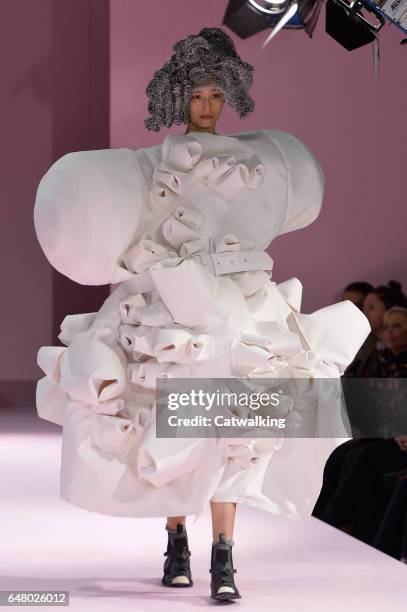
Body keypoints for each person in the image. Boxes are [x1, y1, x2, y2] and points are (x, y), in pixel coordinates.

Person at [33, 27, 370, 602]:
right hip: (172, 314)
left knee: (232, 438)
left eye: (216, 95)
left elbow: (258, 227)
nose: (208, 106)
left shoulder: (253, 166)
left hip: (237, 313)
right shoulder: (156, 168)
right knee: (169, 433)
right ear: (177, 97)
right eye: (197, 96)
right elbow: (138, 239)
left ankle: (223, 556)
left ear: (230, 94)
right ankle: (177, 541)